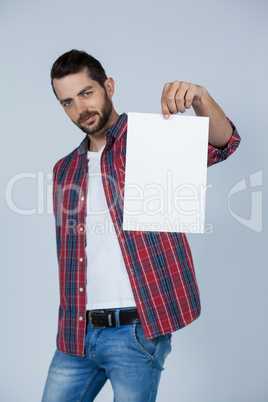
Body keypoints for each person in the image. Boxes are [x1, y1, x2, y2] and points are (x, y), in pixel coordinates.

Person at [42, 49, 241, 402]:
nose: (80, 109)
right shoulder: (64, 170)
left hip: (135, 332)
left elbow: (222, 144)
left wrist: (200, 97)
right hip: (75, 334)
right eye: (67, 102)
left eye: (87, 93)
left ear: (109, 86)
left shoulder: (151, 140)